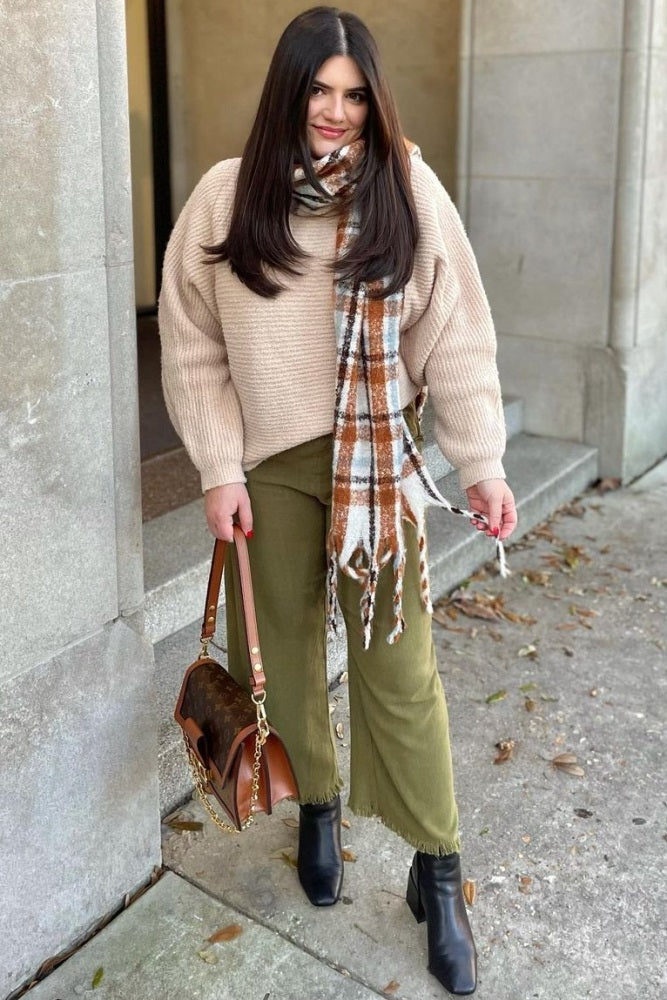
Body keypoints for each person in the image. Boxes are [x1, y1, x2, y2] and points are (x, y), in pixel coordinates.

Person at [158, 6, 517, 995]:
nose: (335, 111)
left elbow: (456, 334)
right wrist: (218, 468)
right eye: (319, 89)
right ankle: (315, 805)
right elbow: (192, 343)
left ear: (374, 100)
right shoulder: (228, 196)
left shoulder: (407, 188)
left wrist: (480, 462)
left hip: (378, 468)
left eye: (355, 95)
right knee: (275, 654)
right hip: (270, 466)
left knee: (399, 670)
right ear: (289, 89)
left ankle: (435, 867)